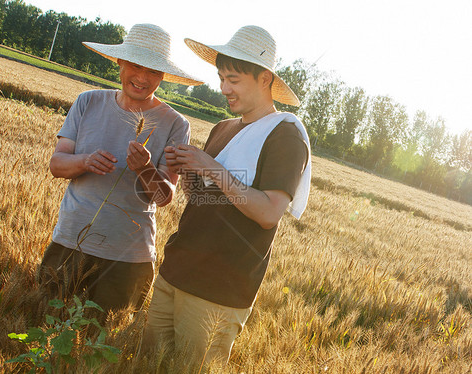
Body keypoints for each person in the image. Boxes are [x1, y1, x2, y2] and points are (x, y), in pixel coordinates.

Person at [141, 25, 312, 366]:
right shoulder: (223, 128)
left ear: (265, 78)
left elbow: (268, 213)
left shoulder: (286, 134)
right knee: (145, 365)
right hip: (175, 271)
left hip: (218, 291)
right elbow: (203, 200)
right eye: (221, 78)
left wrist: (208, 165)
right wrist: (189, 168)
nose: (223, 88)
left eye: (233, 80)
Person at [38, 24, 202, 315]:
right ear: (120, 62)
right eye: (136, 66)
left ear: (163, 76)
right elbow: (56, 165)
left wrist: (145, 169)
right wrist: (85, 161)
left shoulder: (177, 124)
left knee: (101, 351)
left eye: (153, 71)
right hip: (69, 243)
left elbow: (165, 197)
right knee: (46, 324)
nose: (142, 78)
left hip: (127, 259)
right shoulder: (88, 101)